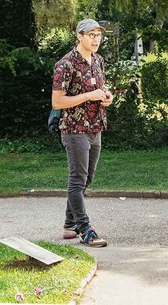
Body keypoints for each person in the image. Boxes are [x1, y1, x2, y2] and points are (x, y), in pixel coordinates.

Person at [51, 18, 114, 248]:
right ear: (79, 36)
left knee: (87, 178)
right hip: (74, 128)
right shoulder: (65, 64)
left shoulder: (98, 60)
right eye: (91, 35)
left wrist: (106, 98)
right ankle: (85, 229)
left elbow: (100, 88)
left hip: (95, 126)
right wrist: (89, 96)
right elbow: (57, 102)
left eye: (98, 35)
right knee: (77, 179)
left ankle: (69, 224)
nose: (96, 39)